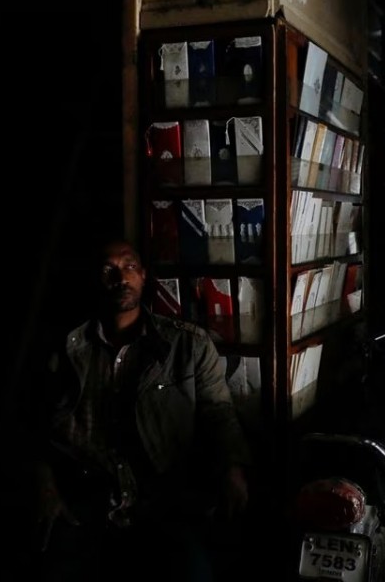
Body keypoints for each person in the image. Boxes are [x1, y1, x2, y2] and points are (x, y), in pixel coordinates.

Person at [25, 239, 251, 581]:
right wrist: (46, 489)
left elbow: (218, 411)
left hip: (164, 502)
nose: (121, 278)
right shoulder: (69, 348)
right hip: (88, 501)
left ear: (144, 276)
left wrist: (233, 470)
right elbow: (37, 425)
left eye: (129, 267)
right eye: (108, 270)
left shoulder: (187, 344)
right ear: (96, 279)